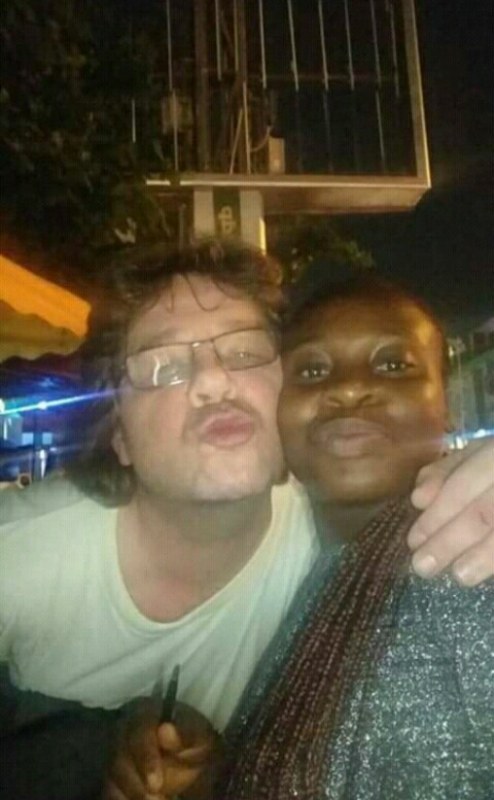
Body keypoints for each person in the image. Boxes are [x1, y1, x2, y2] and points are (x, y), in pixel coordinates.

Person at [0, 242, 492, 800]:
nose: (214, 381)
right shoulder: (19, 552)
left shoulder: (342, 534)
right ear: (119, 437)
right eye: (164, 366)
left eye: (243, 352)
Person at [220, 272, 493, 799]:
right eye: (312, 370)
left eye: (393, 365)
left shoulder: (471, 572)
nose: (347, 388)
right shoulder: (294, 565)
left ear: (447, 405)